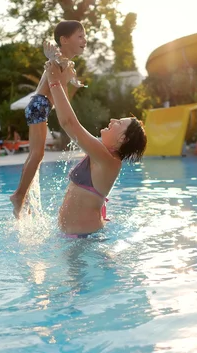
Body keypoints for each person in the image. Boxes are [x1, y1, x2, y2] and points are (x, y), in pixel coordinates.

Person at [44, 60, 147, 236]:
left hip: (84, 241)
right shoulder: (101, 152)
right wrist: (62, 81)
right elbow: (68, 115)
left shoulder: (108, 161)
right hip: (75, 239)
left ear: (123, 138)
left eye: (119, 123)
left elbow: (69, 123)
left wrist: (53, 80)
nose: (113, 120)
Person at [10, 20, 87, 218]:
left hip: (40, 106)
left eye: (84, 36)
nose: (84, 40)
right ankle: (19, 195)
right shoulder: (58, 59)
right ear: (64, 39)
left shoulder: (67, 63)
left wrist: (72, 80)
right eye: (80, 36)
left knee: (34, 155)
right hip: (39, 105)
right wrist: (52, 57)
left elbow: (64, 96)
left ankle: (22, 195)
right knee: (37, 154)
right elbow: (55, 61)